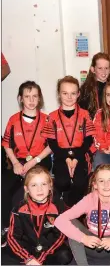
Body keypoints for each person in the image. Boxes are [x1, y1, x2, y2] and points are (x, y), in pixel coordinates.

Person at [54, 164, 110, 265]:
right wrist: (84, 238)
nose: (106, 185)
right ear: (95, 185)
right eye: (101, 181)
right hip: (91, 244)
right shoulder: (89, 199)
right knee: (70, 223)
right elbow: (59, 220)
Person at [2, 81, 52, 238]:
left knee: (24, 192)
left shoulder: (46, 119)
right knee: (4, 188)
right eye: (27, 96)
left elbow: (51, 146)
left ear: (40, 99)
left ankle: (32, 230)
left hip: (40, 161)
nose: (31, 100)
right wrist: (16, 163)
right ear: (20, 98)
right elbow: (6, 144)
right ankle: (4, 228)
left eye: (35, 96)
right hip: (18, 162)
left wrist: (35, 160)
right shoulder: (13, 120)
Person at [41, 76, 95, 207]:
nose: (69, 97)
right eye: (65, 93)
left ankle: (73, 209)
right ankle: (64, 202)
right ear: (59, 94)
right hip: (60, 154)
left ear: (78, 94)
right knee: (62, 182)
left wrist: (75, 158)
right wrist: (66, 158)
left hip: (81, 154)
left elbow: (89, 139)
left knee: (80, 183)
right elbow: (52, 143)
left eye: (73, 93)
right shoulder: (52, 117)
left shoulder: (85, 114)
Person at [2, 166, 73, 265]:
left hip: (48, 249)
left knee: (65, 255)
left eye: (44, 184)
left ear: (50, 186)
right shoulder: (18, 209)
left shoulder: (59, 208)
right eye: (34, 185)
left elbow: (60, 236)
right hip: (26, 248)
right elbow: (13, 237)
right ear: (26, 189)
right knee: (4, 257)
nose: (39, 189)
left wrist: (42, 257)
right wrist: (28, 258)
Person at [79, 52, 110, 120]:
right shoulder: (85, 90)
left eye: (106, 68)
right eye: (100, 68)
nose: (104, 71)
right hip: (93, 127)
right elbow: (82, 113)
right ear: (93, 69)